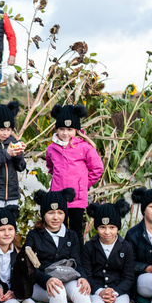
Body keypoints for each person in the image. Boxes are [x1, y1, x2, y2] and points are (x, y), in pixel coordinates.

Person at [25, 189, 102, 303]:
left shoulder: (71, 235)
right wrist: (46, 279)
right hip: (40, 282)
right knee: (58, 292)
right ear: (43, 214)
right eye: (50, 212)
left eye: (60, 212)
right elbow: (29, 267)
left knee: (82, 293)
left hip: (66, 276)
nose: (55, 217)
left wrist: (83, 277)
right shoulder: (34, 235)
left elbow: (78, 261)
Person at [45, 104, 104, 244]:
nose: (65, 133)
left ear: (76, 130)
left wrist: (83, 185)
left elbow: (97, 169)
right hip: (59, 197)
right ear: (57, 129)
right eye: (62, 129)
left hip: (77, 198)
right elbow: (51, 168)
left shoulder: (85, 147)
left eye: (69, 129)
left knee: (76, 229)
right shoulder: (52, 148)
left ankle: (78, 255)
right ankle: (61, 254)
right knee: (59, 229)